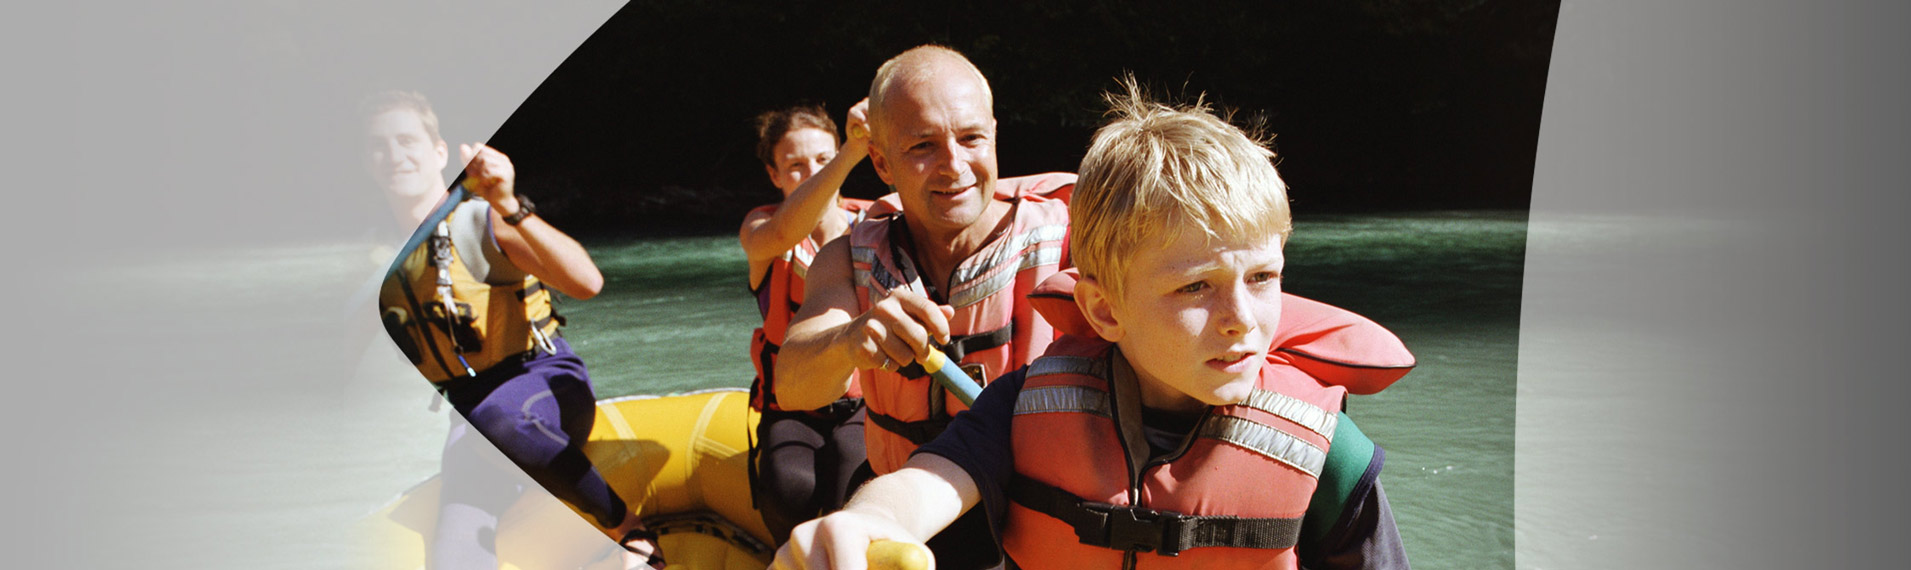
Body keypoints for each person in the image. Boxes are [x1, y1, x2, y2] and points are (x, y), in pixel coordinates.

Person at [771, 84, 1413, 570]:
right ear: (1105, 310)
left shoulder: (1329, 453)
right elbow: (925, 486)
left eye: (1263, 278)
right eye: (1196, 287)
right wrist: (863, 521)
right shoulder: (1020, 409)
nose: (1241, 321)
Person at [774, 46, 1073, 570]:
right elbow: (795, 386)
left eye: (972, 137)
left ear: (995, 135)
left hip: (1045, 514)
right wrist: (849, 339)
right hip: (912, 517)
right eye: (923, 146)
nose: (953, 166)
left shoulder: (1076, 240)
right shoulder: (847, 256)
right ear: (882, 162)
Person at [366, 91, 662, 569]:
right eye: (378, 145)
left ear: (439, 152)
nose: (395, 154)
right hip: (472, 419)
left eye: (407, 140)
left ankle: (625, 525)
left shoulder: (481, 222)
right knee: (452, 558)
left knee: (495, 417)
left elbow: (587, 282)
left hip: (546, 387)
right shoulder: (379, 259)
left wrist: (507, 202)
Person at [738, 102, 878, 545]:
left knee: (851, 487)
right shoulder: (761, 228)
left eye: (822, 159)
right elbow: (784, 234)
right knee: (788, 489)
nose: (813, 173)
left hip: (864, 402)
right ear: (774, 175)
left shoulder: (876, 222)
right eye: (795, 166)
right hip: (791, 405)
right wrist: (850, 153)